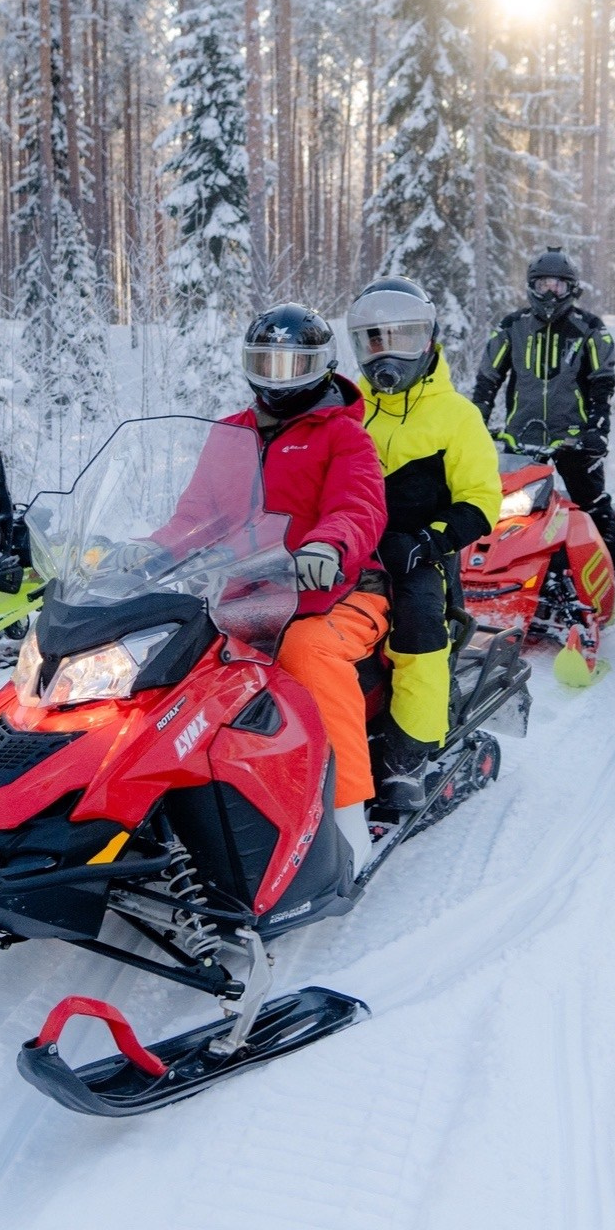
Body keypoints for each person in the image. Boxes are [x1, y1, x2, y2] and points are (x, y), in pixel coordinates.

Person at [223, 305, 393, 870]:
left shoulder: (342, 434)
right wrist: (144, 550)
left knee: (306, 651)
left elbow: (358, 505)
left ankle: (348, 817)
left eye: (291, 363)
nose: (276, 376)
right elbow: (193, 516)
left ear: (318, 367)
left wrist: (328, 545)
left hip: (342, 590)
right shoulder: (231, 436)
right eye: (265, 362)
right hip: (252, 595)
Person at [345, 278, 502, 812]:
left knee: (417, 630)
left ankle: (407, 754)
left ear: (429, 341)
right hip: (344, 549)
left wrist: (430, 541)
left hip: (416, 557)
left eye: (403, 338)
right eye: (373, 340)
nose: (387, 354)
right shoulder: (346, 408)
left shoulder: (456, 416)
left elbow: (482, 499)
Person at [470, 248, 615, 571]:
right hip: (521, 437)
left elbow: (603, 382)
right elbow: (488, 378)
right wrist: (476, 418)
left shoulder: (590, 329)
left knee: (591, 501)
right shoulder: (513, 326)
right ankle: (494, 570)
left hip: (574, 438)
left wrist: (598, 428)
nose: (550, 293)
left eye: (558, 286)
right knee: (504, 509)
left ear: (572, 288)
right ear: (531, 287)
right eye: (543, 285)